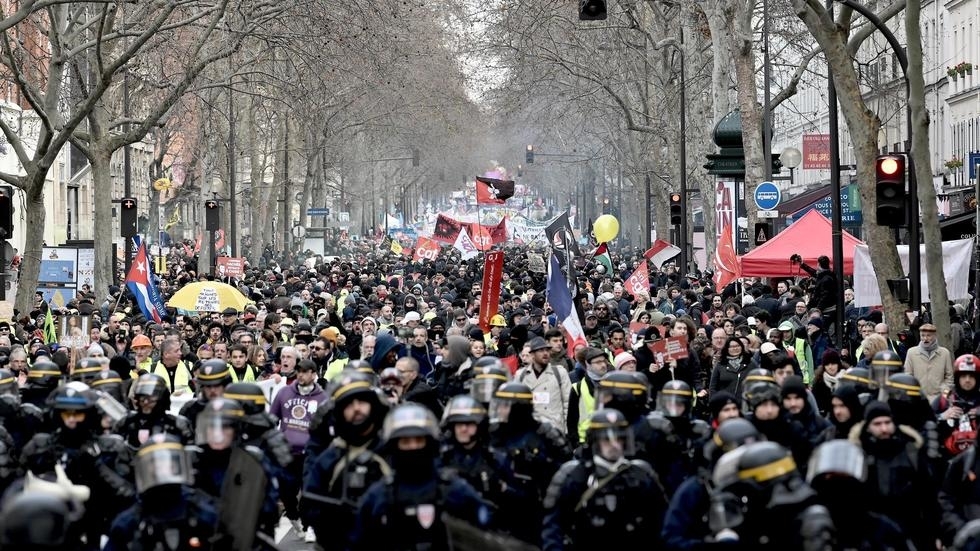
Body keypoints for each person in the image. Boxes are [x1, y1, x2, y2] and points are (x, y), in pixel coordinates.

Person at [348, 403, 492, 550]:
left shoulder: (454, 489)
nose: (413, 447)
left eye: (419, 441)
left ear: (429, 443)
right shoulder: (378, 496)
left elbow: (487, 531)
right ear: (394, 446)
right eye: (405, 442)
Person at [542, 408, 668, 550]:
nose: (614, 445)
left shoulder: (641, 474)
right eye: (607, 439)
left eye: (618, 438)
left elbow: (662, 523)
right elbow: (553, 527)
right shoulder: (574, 475)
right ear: (595, 440)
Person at [104, 434, 219, 551]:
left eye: (168, 465)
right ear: (145, 471)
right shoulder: (128, 524)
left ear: (179, 467)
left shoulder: (205, 513)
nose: (162, 472)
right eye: (156, 467)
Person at [904, 322, 954, 403]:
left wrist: (944, 393)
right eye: (922, 335)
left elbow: (949, 377)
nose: (925, 338)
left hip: (939, 398)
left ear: (935, 336)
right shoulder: (911, 352)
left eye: (928, 335)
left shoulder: (944, 353)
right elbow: (907, 376)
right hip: (918, 399)